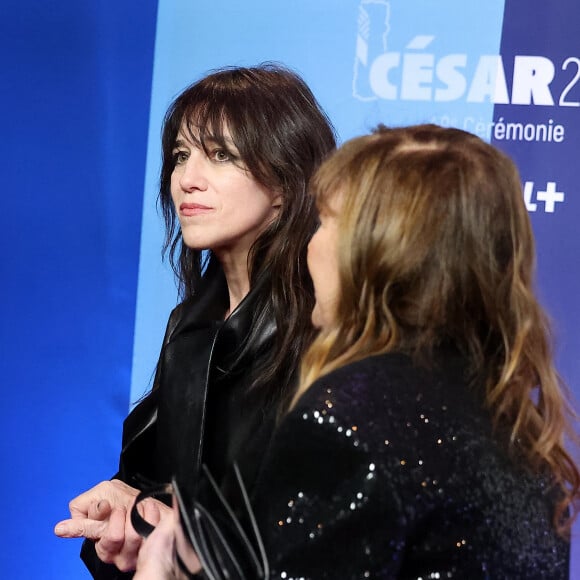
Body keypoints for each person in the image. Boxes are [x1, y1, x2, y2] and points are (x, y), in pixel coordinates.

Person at [133, 124, 579, 579]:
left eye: (325, 221)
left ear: (378, 252)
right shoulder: (517, 421)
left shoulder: (349, 416)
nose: (310, 243)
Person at [54, 63, 336, 578]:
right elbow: (154, 500)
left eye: (221, 155)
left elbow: (335, 538)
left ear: (284, 179)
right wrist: (127, 516)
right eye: (181, 155)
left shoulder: (325, 331)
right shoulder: (189, 329)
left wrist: (187, 541)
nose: (187, 178)